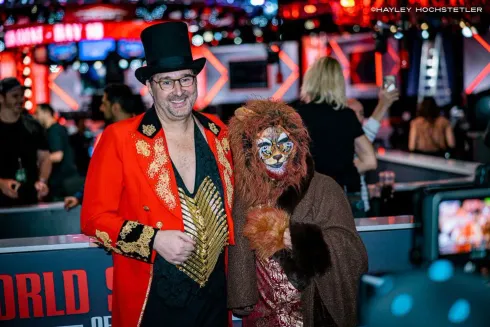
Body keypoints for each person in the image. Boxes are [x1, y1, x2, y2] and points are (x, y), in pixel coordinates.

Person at [80, 22, 235, 327]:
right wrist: (153, 240)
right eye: (166, 82)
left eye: (186, 79)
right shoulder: (120, 137)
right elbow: (94, 219)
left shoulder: (220, 132)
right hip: (153, 299)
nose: (179, 91)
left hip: (216, 298)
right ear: (150, 86)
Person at [227, 100, 368, 327]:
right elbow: (237, 255)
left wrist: (302, 240)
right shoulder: (243, 194)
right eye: (265, 146)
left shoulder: (324, 188)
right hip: (262, 319)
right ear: (249, 150)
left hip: (311, 316)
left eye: (284, 143)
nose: (276, 154)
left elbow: (355, 254)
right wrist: (241, 295)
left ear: (297, 143)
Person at [295, 56, 377, 193]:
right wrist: (344, 172)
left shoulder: (297, 116)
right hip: (341, 192)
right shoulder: (347, 115)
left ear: (310, 80)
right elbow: (370, 161)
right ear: (338, 83)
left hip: (308, 193)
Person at [64, 83, 145, 210]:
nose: (101, 108)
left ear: (115, 107)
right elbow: (98, 173)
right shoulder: (112, 135)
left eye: (104, 104)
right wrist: (79, 196)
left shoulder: (142, 134)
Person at [0, 77, 51, 207]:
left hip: (29, 198)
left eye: (22, 95)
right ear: (1, 98)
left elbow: (45, 158)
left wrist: (42, 181)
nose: (20, 100)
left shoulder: (33, 126)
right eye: (15, 96)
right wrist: (1, 183)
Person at [348, 88, 399, 213]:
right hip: (352, 211)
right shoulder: (347, 139)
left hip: (359, 206)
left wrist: (368, 190)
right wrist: (384, 103)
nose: (360, 118)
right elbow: (371, 127)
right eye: (356, 113)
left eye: (362, 113)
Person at [35, 103, 82, 201]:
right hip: (66, 180)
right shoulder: (56, 129)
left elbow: (58, 155)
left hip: (63, 183)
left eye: (37, 113)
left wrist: (42, 161)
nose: (36, 116)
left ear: (47, 113)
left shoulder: (54, 130)